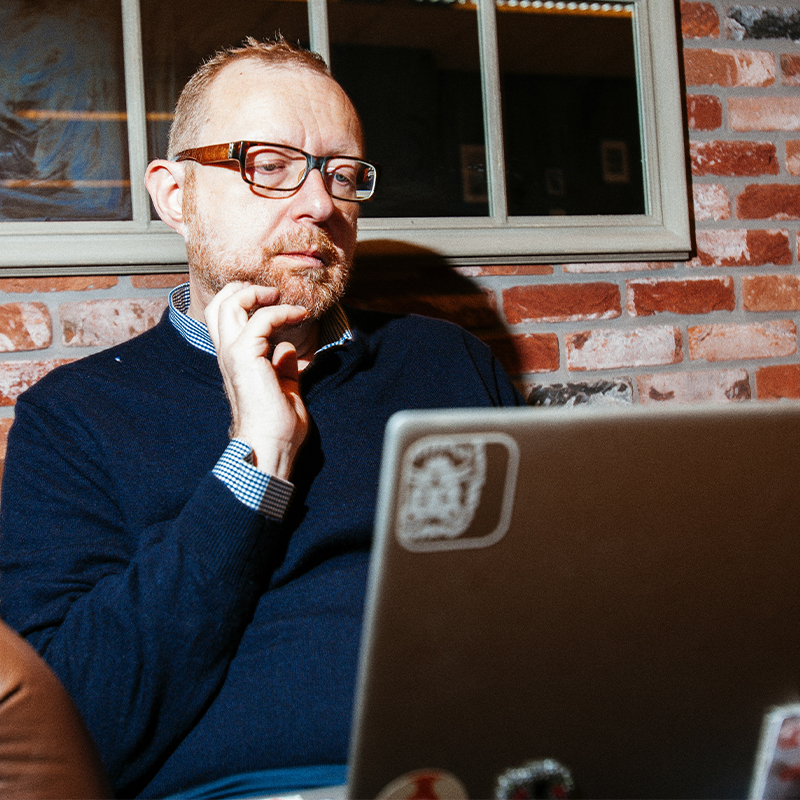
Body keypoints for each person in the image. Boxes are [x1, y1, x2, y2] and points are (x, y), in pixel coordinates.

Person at [0, 37, 523, 799]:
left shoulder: (445, 362)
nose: (320, 205)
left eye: (342, 175)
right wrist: (255, 462)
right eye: (268, 166)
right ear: (176, 197)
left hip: (490, 768)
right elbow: (74, 726)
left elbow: (547, 594)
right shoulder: (77, 416)